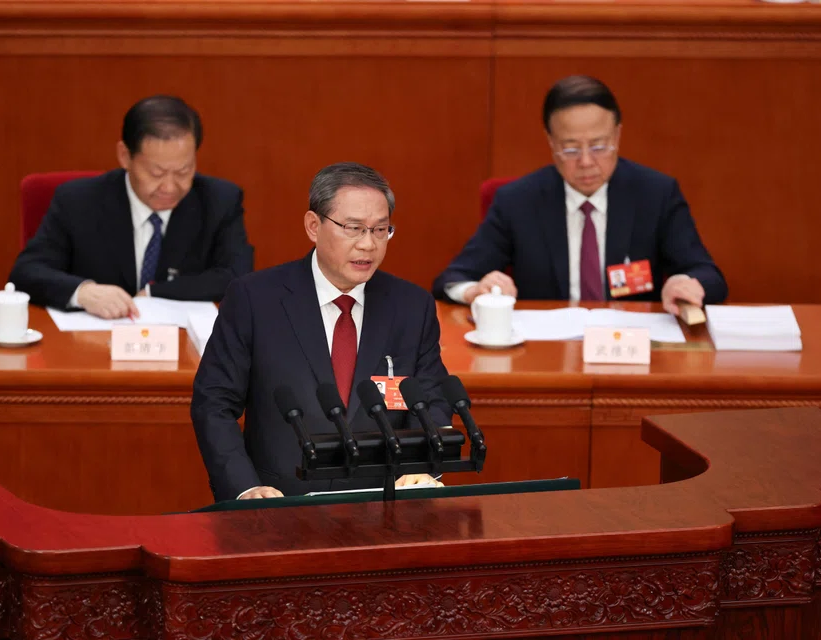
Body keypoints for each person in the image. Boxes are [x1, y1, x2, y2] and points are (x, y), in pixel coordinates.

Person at [191, 162, 448, 500]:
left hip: (382, 510)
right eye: (354, 228)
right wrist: (246, 487)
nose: (368, 245)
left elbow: (433, 401)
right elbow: (214, 403)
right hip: (278, 509)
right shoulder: (255, 299)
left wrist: (421, 466)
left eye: (380, 230)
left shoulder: (412, 307)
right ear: (314, 226)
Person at [432, 75, 726, 316]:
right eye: (571, 148)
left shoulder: (655, 194)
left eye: (598, 146)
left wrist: (686, 283)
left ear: (617, 137)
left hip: (631, 349)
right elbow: (451, 279)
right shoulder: (518, 201)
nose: (586, 162)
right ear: (551, 143)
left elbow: (709, 276)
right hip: (545, 355)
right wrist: (474, 290)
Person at [9, 95, 253, 317]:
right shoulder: (78, 201)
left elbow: (237, 276)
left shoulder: (219, 200)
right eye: (156, 173)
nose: (169, 187)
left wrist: (154, 293)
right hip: (91, 350)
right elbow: (27, 272)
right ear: (125, 156)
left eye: (183, 171)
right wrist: (83, 293)